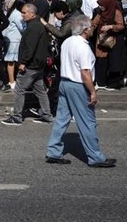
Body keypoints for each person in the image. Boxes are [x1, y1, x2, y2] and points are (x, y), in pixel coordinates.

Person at [45, 14, 116, 167]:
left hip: (64, 82)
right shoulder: (83, 47)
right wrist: (93, 91)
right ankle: (95, 157)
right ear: (85, 30)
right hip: (78, 85)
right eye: (91, 27)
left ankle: (53, 151)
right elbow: (85, 72)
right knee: (87, 122)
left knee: (62, 119)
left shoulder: (68, 42)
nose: (93, 29)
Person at [2, 4, 54, 126]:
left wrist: (23, 62)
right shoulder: (35, 25)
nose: (22, 15)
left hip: (31, 64)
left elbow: (30, 47)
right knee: (40, 90)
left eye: (24, 12)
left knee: (19, 89)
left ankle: (16, 117)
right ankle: (47, 115)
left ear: (32, 13)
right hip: (38, 63)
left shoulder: (34, 27)